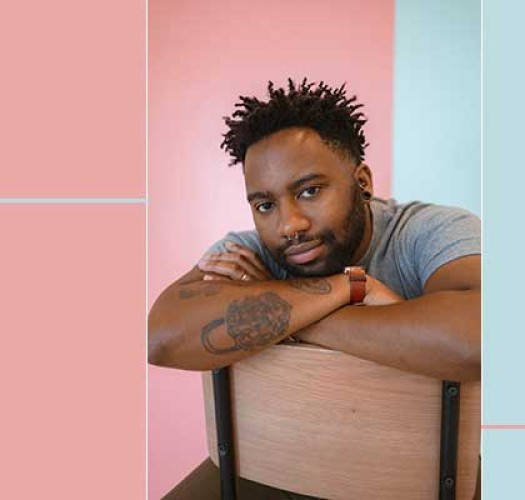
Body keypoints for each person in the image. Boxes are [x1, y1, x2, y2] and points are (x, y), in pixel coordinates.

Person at [149, 78, 481, 499]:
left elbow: (480, 339)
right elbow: (161, 336)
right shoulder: (248, 251)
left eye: (309, 191)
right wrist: (348, 289)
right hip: (281, 466)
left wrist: (278, 312)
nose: (289, 226)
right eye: (265, 205)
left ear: (362, 182)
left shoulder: (433, 231)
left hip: (419, 477)